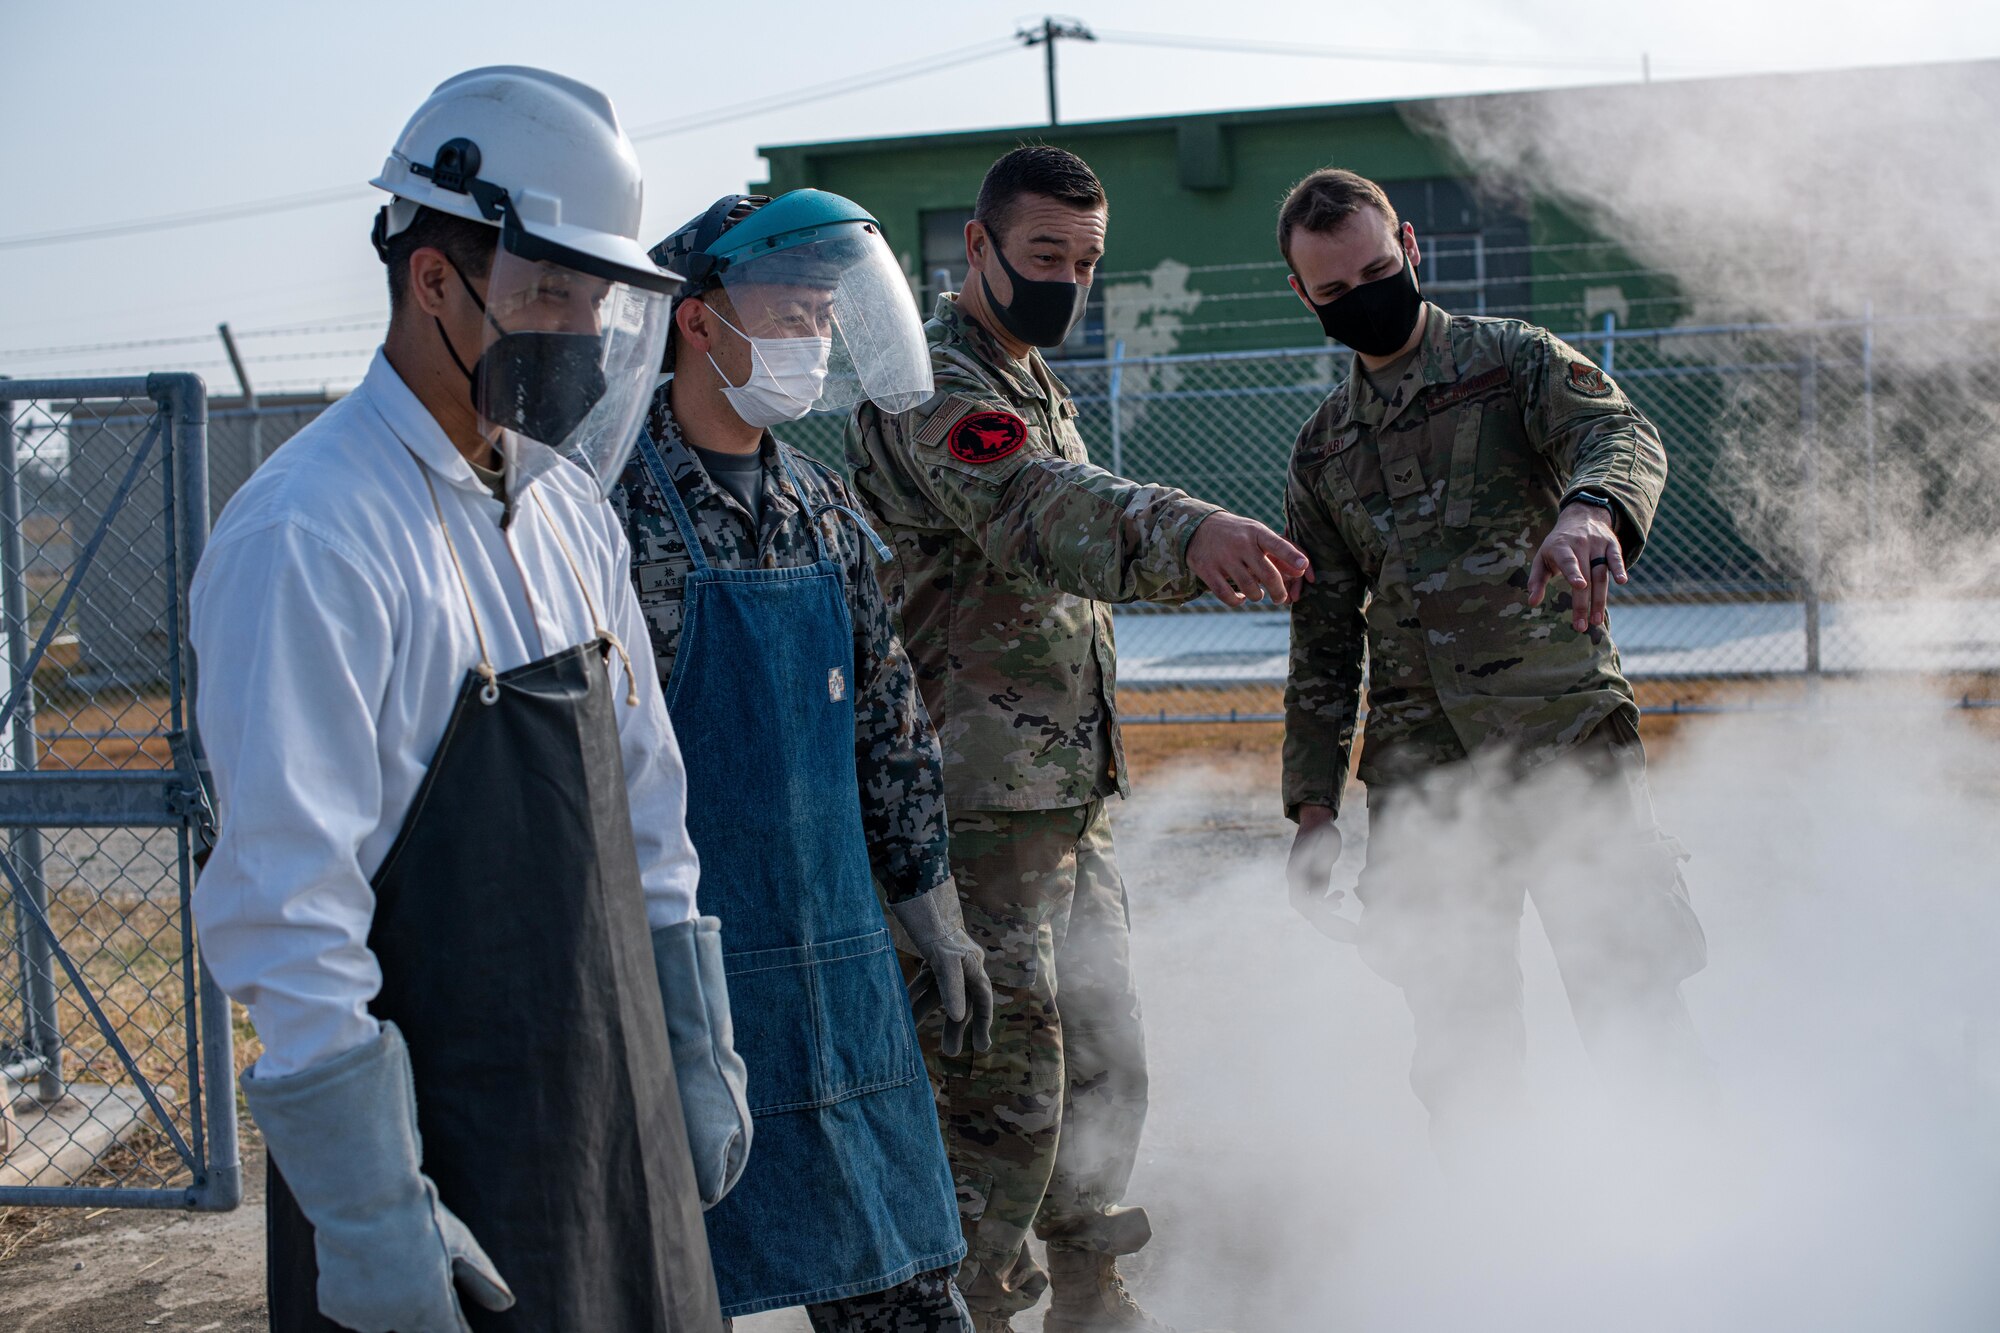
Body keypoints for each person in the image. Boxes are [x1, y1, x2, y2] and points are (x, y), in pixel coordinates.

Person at [190, 67, 750, 1333]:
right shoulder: (310, 533)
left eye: (593, 294)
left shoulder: (565, 514)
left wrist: (692, 1039)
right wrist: (371, 1205)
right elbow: (288, 907)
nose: (577, 325)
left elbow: (647, 812)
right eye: (545, 289)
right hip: (441, 1154)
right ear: (430, 277)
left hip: (616, 1116)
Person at [848, 145, 1308, 1333]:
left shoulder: (1026, 372)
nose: (1068, 279)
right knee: (1002, 1091)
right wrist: (1186, 526)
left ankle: (1096, 1296)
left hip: (1060, 799)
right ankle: (978, 1310)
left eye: (1087, 261)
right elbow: (1038, 506)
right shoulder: (928, 386)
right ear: (977, 249)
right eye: (1046, 254)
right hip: (975, 807)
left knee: (1102, 1067)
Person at [614, 188, 989, 1329]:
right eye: (788, 310)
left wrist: (930, 899)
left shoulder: (822, 511)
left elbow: (889, 719)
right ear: (698, 320)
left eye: (825, 315)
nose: (812, 339)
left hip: (838, 963)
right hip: (685, 976)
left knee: (904, 1275)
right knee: (677, 1276)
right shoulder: (606, 517)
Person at [1276, 167, 1709, 1151]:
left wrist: (1588, 507)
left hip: (1560, 743)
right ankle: (1497, 1251)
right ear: (1302, 296)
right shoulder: (1322, 448)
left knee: (1629, 1001)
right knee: (1460, 1045)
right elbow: (1324, 634)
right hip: (1423, 781)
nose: (1362, 298)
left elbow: (1619, 431)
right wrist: (1310, 806)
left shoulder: (1509, 361)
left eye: (1376, 271)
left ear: (1411, 248)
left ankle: (1695, 1233)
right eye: (1334, 291)